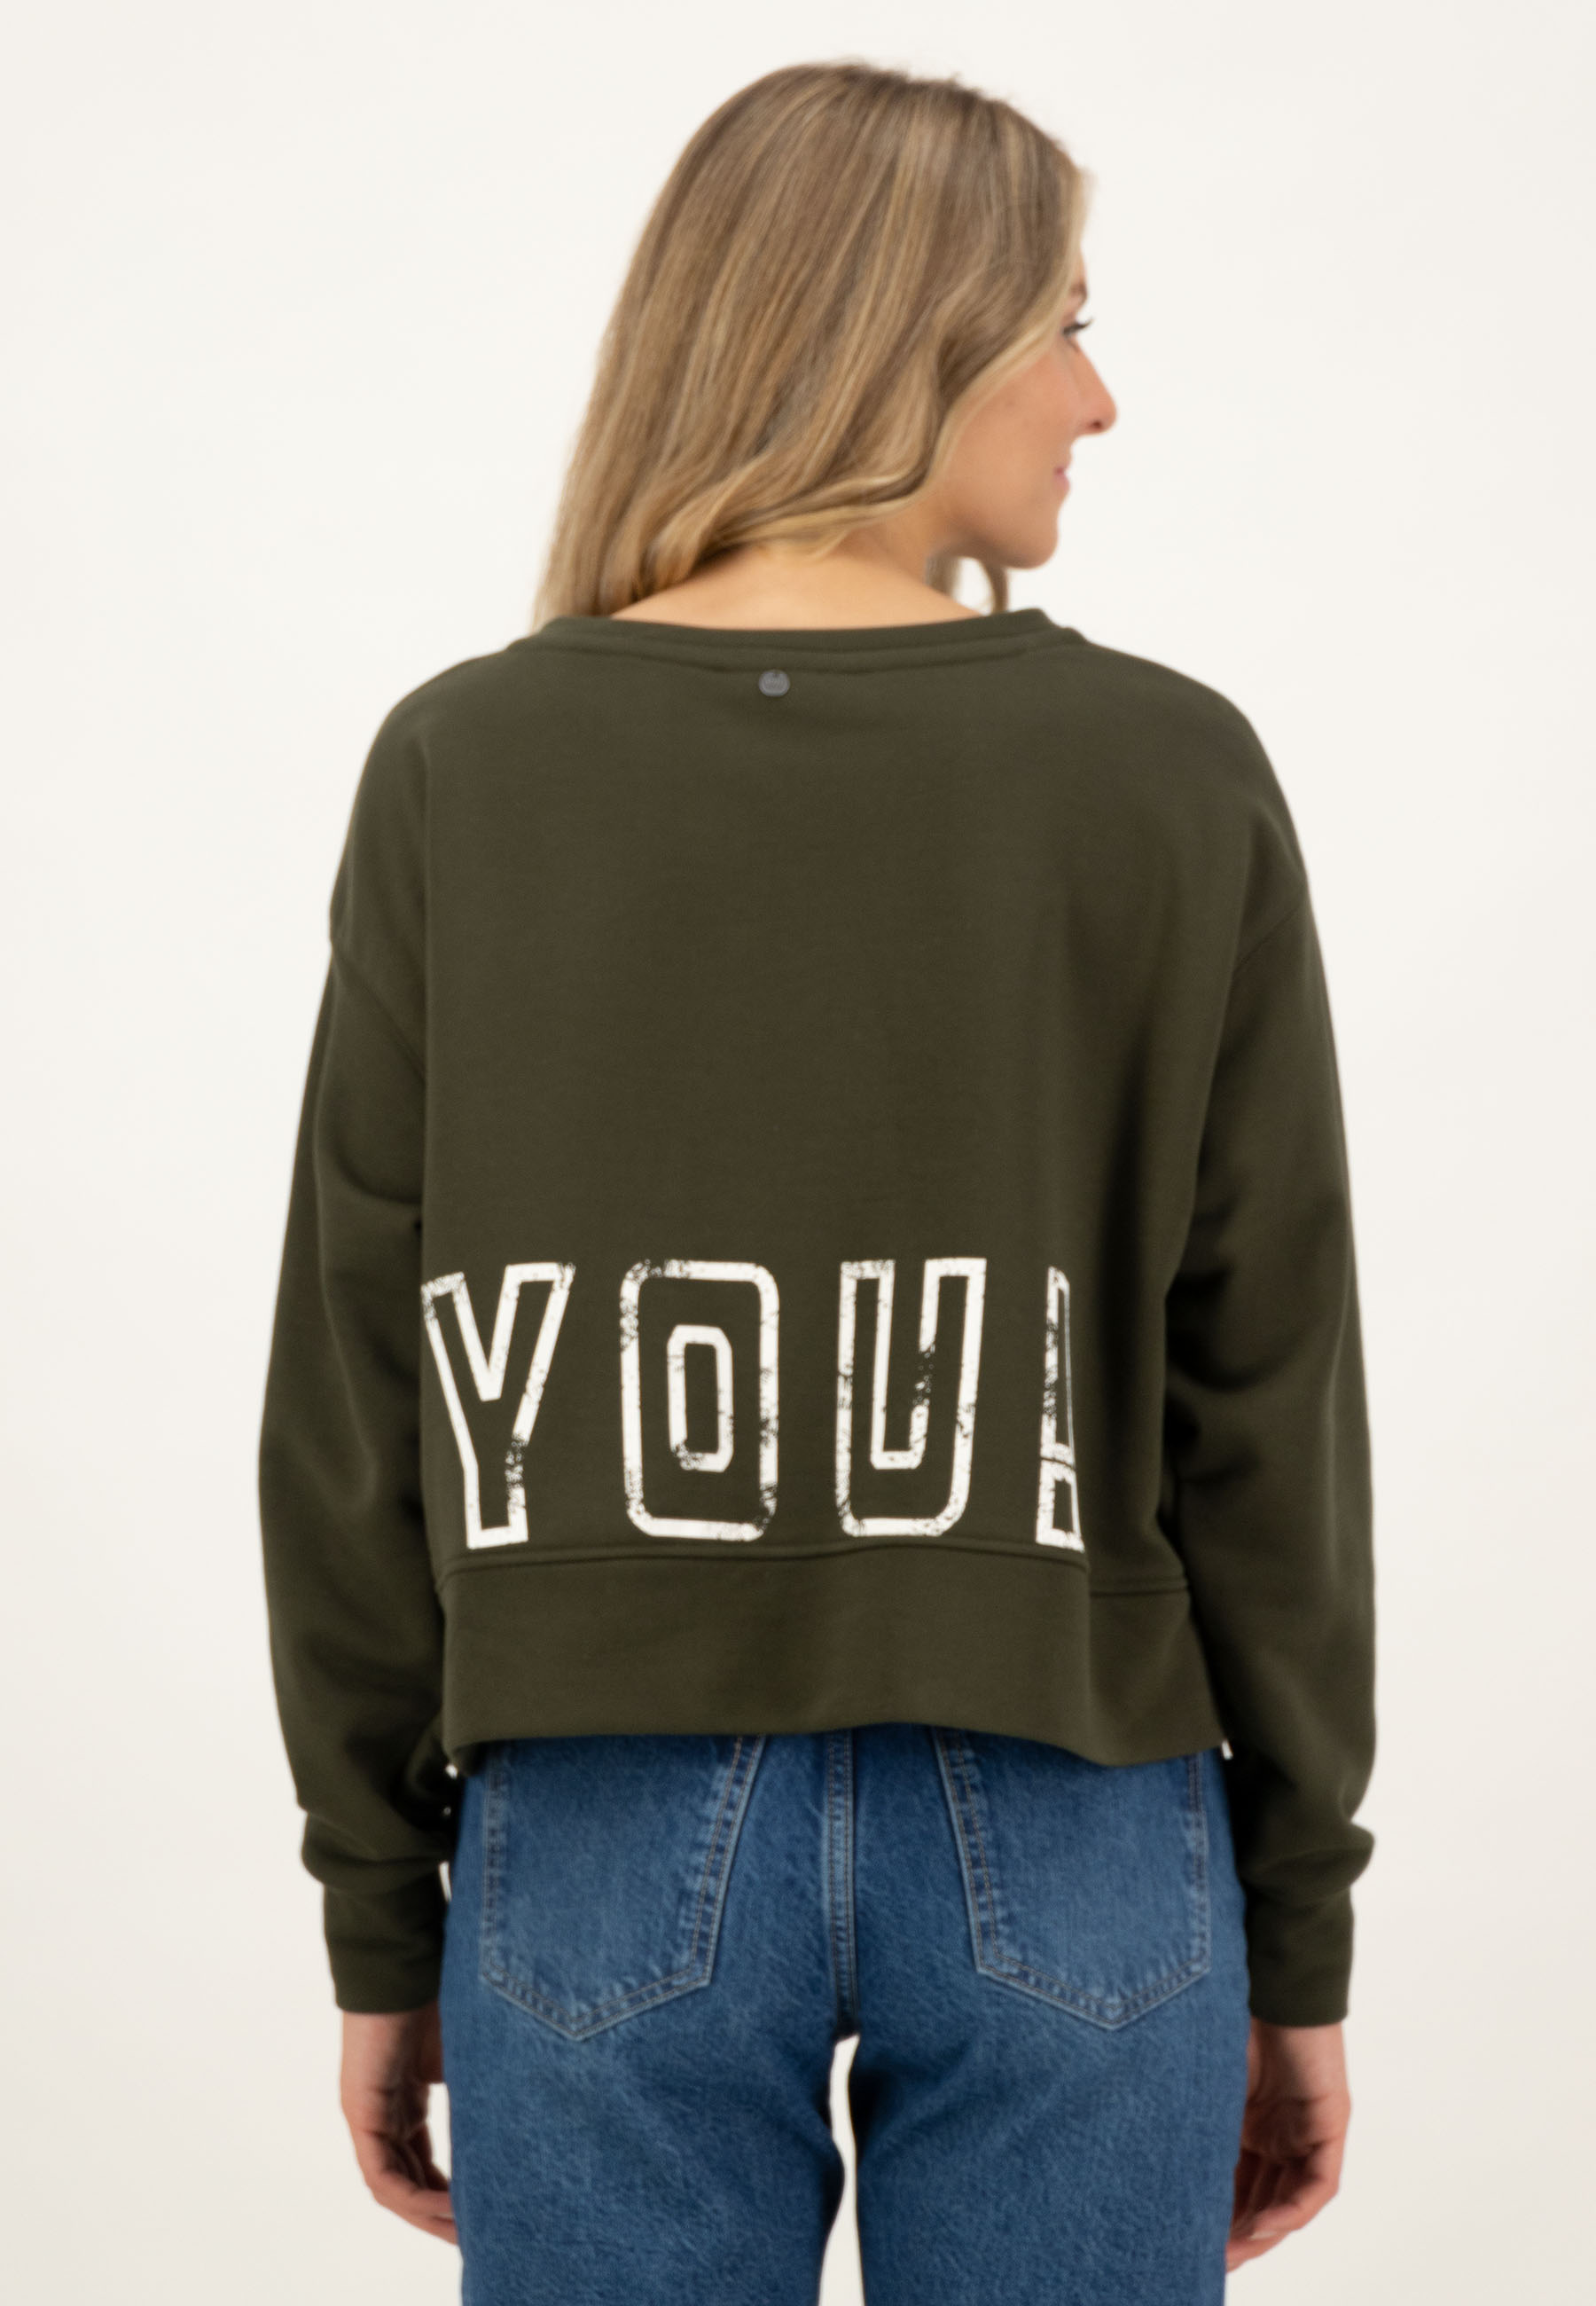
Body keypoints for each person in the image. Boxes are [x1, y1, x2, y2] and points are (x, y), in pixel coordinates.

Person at [259, 59, 1375, 2306]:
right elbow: (1267, 1391)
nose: (1098, 398)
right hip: (1080, 1817)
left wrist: (383, 1912)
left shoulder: (470, 764)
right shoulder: (1165, 772)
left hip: (596, 1828)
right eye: (1065, 323)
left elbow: (360, 1391)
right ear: (910, 332)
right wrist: (1296, 1922)